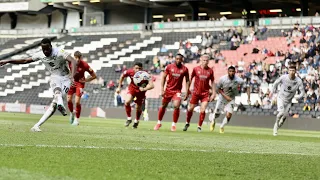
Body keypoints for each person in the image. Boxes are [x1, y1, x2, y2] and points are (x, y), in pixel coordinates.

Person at [0, 38, 77, 132]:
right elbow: (25, 61)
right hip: (55, 77)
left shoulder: (59, 51)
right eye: (43, 49)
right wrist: (8, 61)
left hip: (66, 79)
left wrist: (72, 77)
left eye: (47, 49)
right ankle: (60, 104)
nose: (45, 51)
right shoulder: (40, 55)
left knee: (54, 104)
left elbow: (73, 61)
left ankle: (37, 125)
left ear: (51, 46)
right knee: (57, 93)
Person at [154, 54, 190, 131]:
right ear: (175, 59)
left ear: (182, 60)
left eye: (179, 59)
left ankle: (173, 124)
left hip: (177, 91)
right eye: (177, 59)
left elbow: (187, 80)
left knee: (176, 105)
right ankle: (159, 122)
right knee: (163, 106)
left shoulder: (185, 69)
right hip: (168, 90)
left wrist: (187, 91)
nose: (178, 60)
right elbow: (163, 77)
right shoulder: (169, 67)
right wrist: (162, 89)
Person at [210, 66, 251, 133]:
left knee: (229, 115)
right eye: (230, 71)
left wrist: (248, 98)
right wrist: (225, 96)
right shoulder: (222, 79)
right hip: (222, 97)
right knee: (216, 113)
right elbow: (218, 89)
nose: (231, 73)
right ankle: (213, 121)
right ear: (228, 72)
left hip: (231, 98)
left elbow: (247, 87)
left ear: (235, 72)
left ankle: (222, 126)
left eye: (233, 71)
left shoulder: (238, 80)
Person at [116, 62, 154, 129]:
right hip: (132, 89)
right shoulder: (130, 72)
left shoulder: (146, 74)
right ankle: (129, 118)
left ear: (142, 69)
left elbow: (152, 85)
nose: (138, 70)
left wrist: (144, 88)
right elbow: (122, 76)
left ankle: (136, 121)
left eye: (140, 68)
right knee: (127, 102)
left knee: (138, 108)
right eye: (136, 68)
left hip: (141, 92)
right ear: (133, 68)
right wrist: (119, 87)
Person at [183, 54, 216, 132]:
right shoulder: (195, 69)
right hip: (196, 93)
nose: (205, 62)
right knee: (190, 108)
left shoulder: (210, 71)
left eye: (206, 61)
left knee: (203, 109)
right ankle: (187, 122)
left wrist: (214, 93)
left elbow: (213, 82)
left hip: (205, 93)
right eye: (203, 60)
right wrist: (187, 90)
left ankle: (199, 127)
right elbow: (190, 79)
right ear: (201, 60)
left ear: (208, 62)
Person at [272, 65, 304, 136]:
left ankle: (278, 126)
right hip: (281, 98)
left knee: (283, 118)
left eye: (293, 70)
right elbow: (276, 82)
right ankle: (275, 126)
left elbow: (302, 92)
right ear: (288, 71)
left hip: (289, 101)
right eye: (290, 70)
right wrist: (273, 89)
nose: (292, 72)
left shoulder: (298, 81)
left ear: (295, 71)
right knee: (281, 113)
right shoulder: (284, 77)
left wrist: (298, 97)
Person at [67, 51, 96, 126]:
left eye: (79, 58)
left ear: (81, 58)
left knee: (77, 102)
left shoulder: (85, 65)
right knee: (68, 100)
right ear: (74, 57)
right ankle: (71, 113)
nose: (77, 59)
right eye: (76, 57)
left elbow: (94, 76)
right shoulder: (70, 62)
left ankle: (77, 120)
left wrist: (86, 80)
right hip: (72, 82)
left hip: (80, 83)